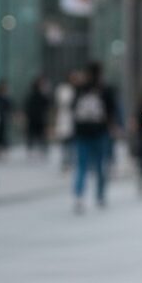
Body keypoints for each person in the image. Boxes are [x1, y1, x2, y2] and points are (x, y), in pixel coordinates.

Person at [71, 62, 117, 212]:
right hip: (100, 132)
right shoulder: (105, 89)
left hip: (82, 133)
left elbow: (73, 109)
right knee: (100, 166)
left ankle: (79, 195)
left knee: (81, 165)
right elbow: (111, 110)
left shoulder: (80, 89)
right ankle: (100, 195)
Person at [53, 71, 79, 172]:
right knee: (65, 143)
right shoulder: (63, 89)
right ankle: (65, 163)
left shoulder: (78, 89)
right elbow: (64, 102)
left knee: (73, 143)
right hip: (66, 120)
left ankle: (71, 162)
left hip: (74, 121)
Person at [24, 76, 51, 156]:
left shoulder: (42, 95)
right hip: (34, 118)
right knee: (33, 136)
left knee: (40, 136)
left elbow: (47, 105)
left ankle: (40, 150)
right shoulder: (33, 96)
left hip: (39, 119)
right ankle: (33, 150)